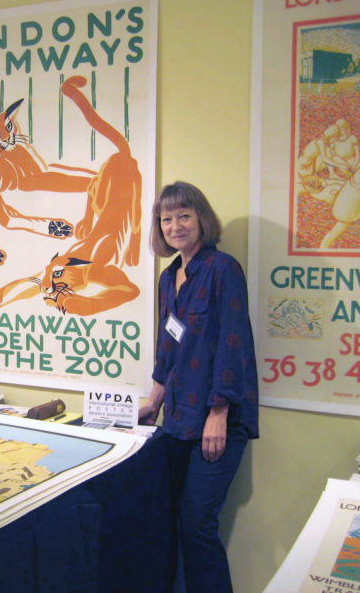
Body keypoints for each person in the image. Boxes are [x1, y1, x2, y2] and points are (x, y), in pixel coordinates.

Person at [139, 181, 259, 593]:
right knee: (171, 522)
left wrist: (219, 412)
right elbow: (167, 347)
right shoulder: (169, 277)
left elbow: (233, 342)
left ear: (201, 220)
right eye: (166, 218)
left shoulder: (223, 269)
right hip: (177, 420)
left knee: (198, 526)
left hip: (217, 421)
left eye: (184, 216)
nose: (175, 226)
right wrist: (152, 403)